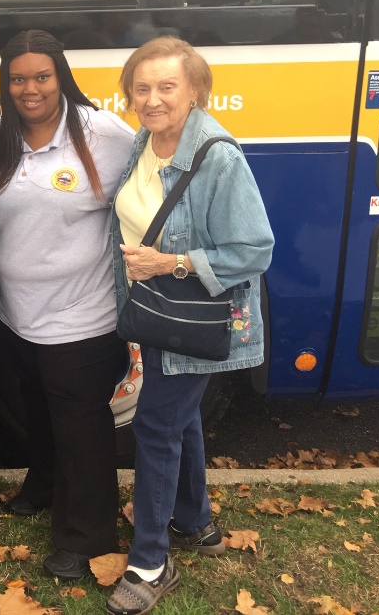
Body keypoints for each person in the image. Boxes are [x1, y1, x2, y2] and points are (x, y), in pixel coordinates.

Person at [107, 36, 273, 615]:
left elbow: (255, 248)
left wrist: (172, 263)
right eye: (142, 87)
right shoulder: (143, 143)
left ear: (196, 91)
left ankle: (150, 561)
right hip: (157, 315)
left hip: (194, 319)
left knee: (156, 426)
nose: (152, 98)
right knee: (179, 419)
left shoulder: (218, 156)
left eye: (167, 87)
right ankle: (196, 522)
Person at [0, 30, 135, 578]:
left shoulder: (104, 135)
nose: (31, 89)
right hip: (16, 313)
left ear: (61, 77)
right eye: (18, 78)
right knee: (39, 411)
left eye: (42, 76)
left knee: (81, 425)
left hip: (84, 315)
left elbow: (146, 197)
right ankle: (44, 485)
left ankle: (88, 536)